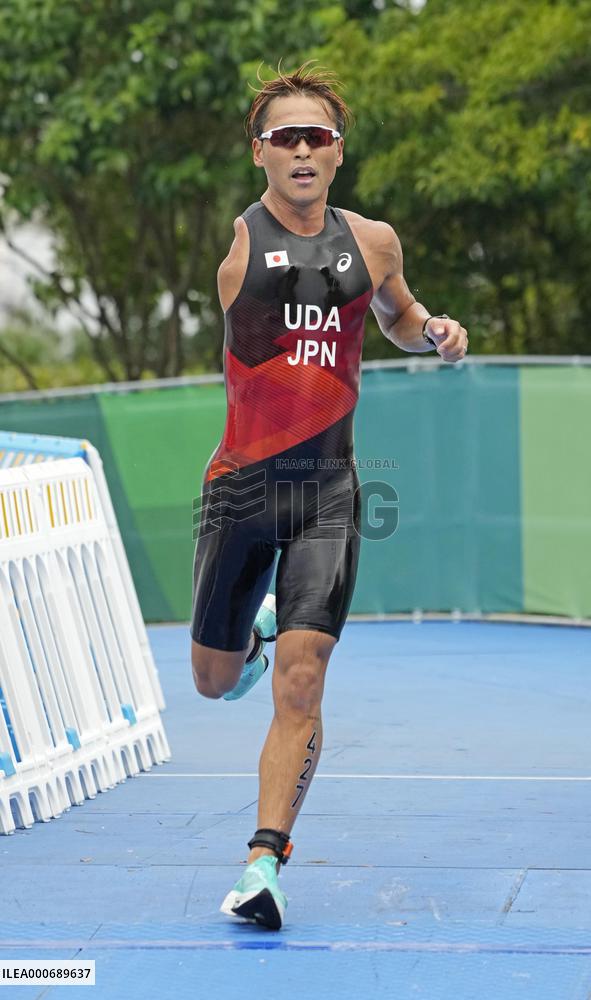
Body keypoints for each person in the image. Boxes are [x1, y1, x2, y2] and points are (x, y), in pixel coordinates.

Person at [190, 63, 468, 931]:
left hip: (328, 493)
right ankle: (252, 631)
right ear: (259, 154)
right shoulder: (240, 245)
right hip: (241, 489)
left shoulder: (374, 241)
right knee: (211, 680)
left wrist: (429, 332)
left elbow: (393, 311)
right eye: (285, 137)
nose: (302, 148)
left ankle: (263, 864)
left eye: (316, 135)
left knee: (302, 684)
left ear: (338, 152)